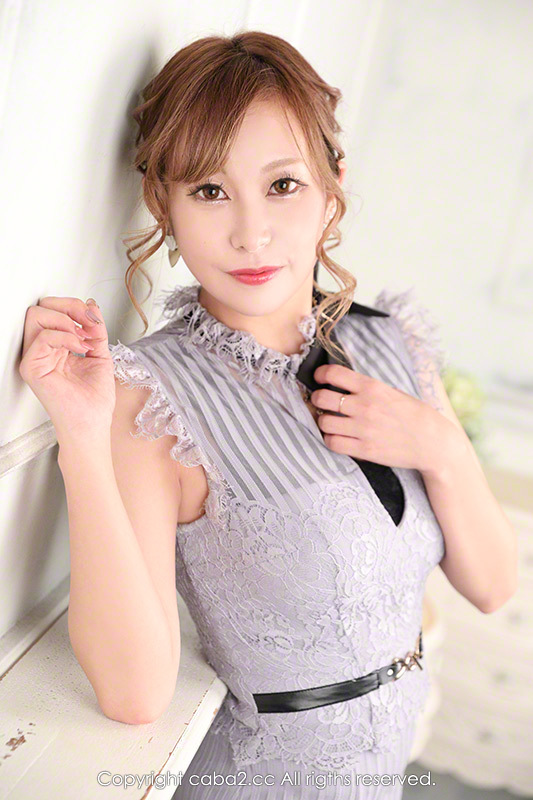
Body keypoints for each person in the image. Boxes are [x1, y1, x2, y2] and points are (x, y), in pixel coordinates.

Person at [19, 30, 507, 800]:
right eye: (209, 191)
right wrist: (82, 438)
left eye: (282, 184)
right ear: (164, 203)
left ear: (331, 187)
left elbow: (492, 585)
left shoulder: (390, 342)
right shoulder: (155, 399)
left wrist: (440, 449)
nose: (250, 233)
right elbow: (134, 694)